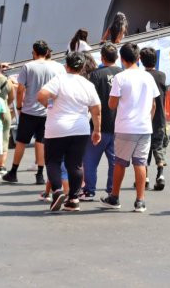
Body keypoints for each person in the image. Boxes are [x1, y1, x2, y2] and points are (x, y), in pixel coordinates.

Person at [37, 52, 101, 212]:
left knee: (53, 161)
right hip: (80, 128)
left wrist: (50, 105)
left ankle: (57, 190)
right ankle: (73, 199)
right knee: (76, 165)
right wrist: (97, 130)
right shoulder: (87, 84)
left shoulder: (59, 79)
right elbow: (96, 109)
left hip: (57, 127)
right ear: (82, 67)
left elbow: (41, 95)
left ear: (67, 65)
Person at [99, 43, 160, 213]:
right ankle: (140, 201)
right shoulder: (148, 77)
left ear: (122, 59)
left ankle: (115, 197)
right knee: (140, 163)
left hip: (126, 126)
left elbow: (111, 104)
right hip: (144, 127)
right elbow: (154, 104)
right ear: (138, 58)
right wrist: (147, 119)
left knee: (119, 163)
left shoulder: (121, 77)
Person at [2, 40, 66, 184]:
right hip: (48, 111)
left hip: (29, 110)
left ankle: (13, 171)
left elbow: (20, 89)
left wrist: (19, 106)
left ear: (35, 52)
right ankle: (40, 174)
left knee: (21, 142)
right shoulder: (58, 67)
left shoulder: (28, 66)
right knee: (41, 142)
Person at [82, 44, 122, 201]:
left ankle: (89, 190)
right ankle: (112, 189)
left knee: (90, 160)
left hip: (99, 124)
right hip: (118, 125)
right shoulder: (122, 73)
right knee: (114, 161)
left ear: (102, 57)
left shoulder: (96, 75)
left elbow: (90, 101)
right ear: (117, 57)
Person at [140, 47, 168, 192]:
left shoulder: (141, 76)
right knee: (159, 147)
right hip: (160, 118)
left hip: (144, 117)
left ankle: (145, 178)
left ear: (141, 60)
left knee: (144, 149)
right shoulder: (162, 76)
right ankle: (160, 175)